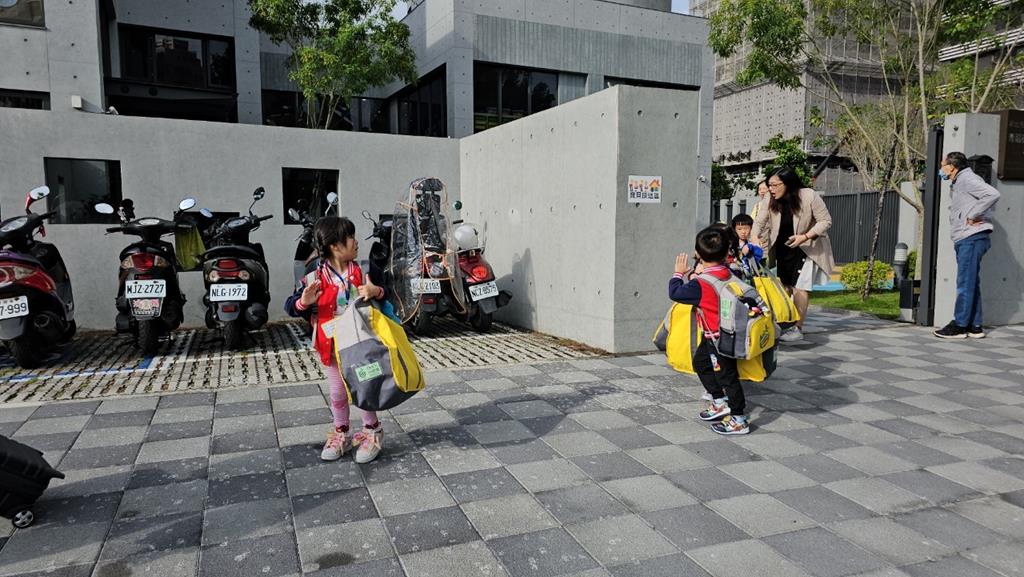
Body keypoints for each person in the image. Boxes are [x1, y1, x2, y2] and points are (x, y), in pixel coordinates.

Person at [285, 216, 387, 463]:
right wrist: (303, 302)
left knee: (364, 387)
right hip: (331, 347)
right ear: (334, 246)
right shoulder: (314, 276)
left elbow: (388, 294)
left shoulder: (365, 270)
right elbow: (291, 305)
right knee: (337, 392)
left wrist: (375, 291)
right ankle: (341, 433)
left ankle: (372, 431)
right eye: (350, 237)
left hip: (362, 346)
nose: (356, 241)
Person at [670, 227, 750, 435]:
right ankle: (719, 401)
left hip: (720, 338)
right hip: (718, 334)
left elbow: (675, 292)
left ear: (698, 253)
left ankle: (739, 419)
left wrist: (678, 273)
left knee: (728, 377)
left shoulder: (701, 283)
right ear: (725, 253)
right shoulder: (728, 273)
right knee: (701, 363)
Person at [752, 167, 835, 342]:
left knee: (800, 287)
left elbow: (825, 221)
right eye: (769, 185)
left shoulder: (809, 195)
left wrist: (805, 236)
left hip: (807, 247)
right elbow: (759, 221)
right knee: (784, 287)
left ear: (788, 183)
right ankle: (784, 322)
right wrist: (754, 238)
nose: (771, 189)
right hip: (783, 248)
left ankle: (797, 328)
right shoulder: (770, 198)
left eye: (775, 185)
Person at [933, 151, 1000, 339]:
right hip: (967, 238)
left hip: (971, 237)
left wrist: (972, 215)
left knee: (964, 283)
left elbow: (993, 194)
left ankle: (959, 325)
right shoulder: (959, 181)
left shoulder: (967, 179)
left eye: (943, 165)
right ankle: (974, 326)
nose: (941, 169)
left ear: (952, 166)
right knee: (971, 282)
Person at [732, 213, 764, 281]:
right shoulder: (731, 245)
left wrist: (750, 247)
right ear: (734, 229)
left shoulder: (752, 244)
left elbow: (759, 255)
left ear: (751, 229)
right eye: (739, 229)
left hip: (748, 278)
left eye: (746, 228)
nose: (743, 232)